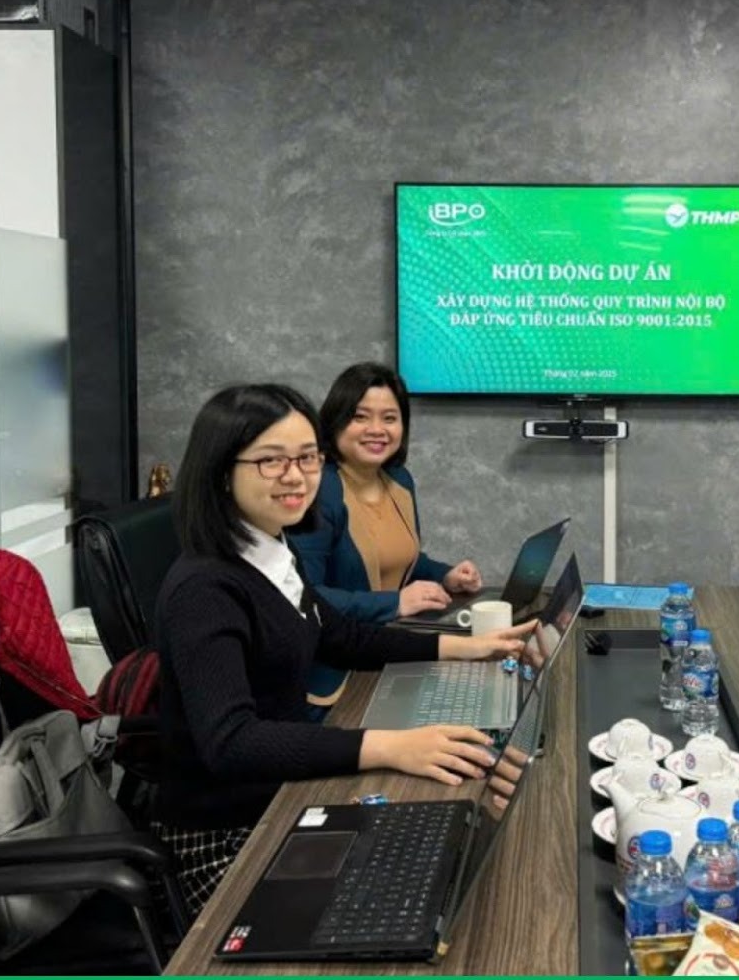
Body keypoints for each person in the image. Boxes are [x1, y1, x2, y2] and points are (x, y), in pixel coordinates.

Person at [152, 383, 534, 920]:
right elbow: (232, 741)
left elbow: (342, 636)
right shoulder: (205, 588)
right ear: (221, 472)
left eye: (307, 457)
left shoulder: (272, 549)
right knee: (428, 895)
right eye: (270, 460)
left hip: (281, 792)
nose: (296, 475)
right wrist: (390, 746)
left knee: (453, 850)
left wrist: (465, 648)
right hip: (225, 837)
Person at [291, 362, 482, 626]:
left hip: (391, 634)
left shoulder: (399, 480)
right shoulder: (317, 489)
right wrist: (396, 603)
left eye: (389, 418)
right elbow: (302, 595)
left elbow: (396, 561)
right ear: (335, 421)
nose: (377, 429)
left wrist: (446, 576)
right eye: (360, 417)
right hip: (338, 643)